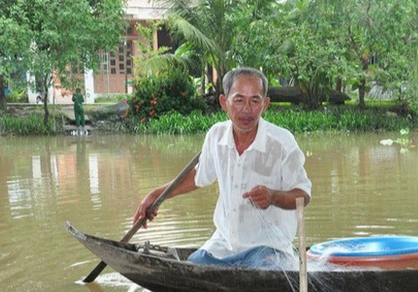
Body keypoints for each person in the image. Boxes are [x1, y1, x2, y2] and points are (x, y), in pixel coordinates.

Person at [133, 67, 312, 268]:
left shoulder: (282, 143)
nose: (246, 109)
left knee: (262, 274)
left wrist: (273, 197)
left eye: (255, 100)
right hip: (223, 245)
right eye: (238, 100)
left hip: (268, 249)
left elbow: (302, 196)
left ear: (265, 105)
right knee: (193, 267)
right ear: (223, 103)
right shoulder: (216, 136)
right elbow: (198, 177)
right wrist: (156, 196)